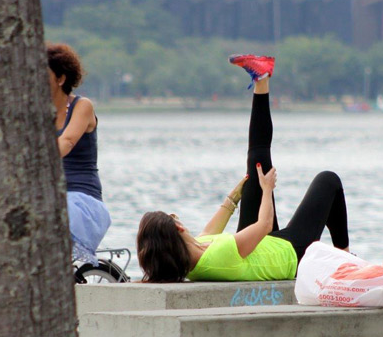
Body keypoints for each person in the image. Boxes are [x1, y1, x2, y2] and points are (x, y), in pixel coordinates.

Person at [137, 55, 350, 282]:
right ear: (178, 230)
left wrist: (235, 196)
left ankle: (262, 78)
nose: (176, 217)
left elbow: (210, 233)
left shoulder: (193, 254)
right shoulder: (217, 255)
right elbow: (264, 225)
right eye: (173, 217)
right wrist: (266, 189)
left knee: (256, 159)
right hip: (290, 253)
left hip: (259, 246)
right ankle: (346, 261)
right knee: (328, 181)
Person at [48, 43, 111, 265]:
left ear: (60, 78)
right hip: (49, 196)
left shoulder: (82, 106)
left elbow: (66, 142)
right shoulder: (38, 110)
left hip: (81, 200)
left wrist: (31, 159)